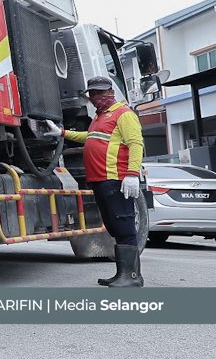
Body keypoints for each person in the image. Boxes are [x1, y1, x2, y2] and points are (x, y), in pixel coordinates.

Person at [44, 76, 145, 288]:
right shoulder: (100, 117)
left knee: (124, 225)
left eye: (101, 92)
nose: (97, 97)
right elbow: (89, 137)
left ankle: (132, 277)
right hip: (100, 180)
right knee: (114, 225)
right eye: (93, 93)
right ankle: (123, 273)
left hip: (116, 179)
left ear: (111, 91)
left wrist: (132, 174)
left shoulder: (123, 114)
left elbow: (135, 144)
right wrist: (61, 132)